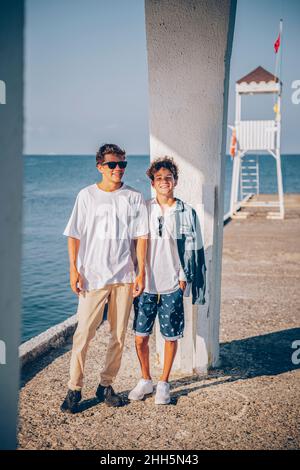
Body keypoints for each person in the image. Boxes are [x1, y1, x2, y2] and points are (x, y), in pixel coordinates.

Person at [61, 144, 148, 413]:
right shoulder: (86, 196)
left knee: (118, 336)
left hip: (124, 276)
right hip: (92, 277)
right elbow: (74, 234)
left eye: (122, 164)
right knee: (83, 335)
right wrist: (74, 269)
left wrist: (141, 271)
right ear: (100, 166)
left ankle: (105, 385)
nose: (118, 169)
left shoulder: (134, 197)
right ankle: (74, 388)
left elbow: (141, 237)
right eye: (112, 164)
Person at [129, 157, 206, 405]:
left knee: (170, 336)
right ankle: (145, 379)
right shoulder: (144, 209)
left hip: (173, 283)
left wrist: (185, 278)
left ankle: (163, 383)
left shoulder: (186, 212)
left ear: (175, 181)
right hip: (145, 285)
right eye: (159, 178)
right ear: (152, 183)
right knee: (140, 336)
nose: (164, 182)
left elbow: (195, 250)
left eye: (168, 177)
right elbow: (131, 245)